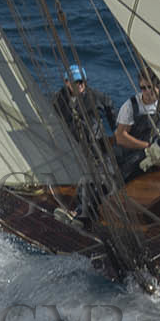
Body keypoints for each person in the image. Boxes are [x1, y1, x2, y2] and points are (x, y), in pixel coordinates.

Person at [51, 64, 116, 223]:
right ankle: (80, 212)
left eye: (81, 82)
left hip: (95, 144)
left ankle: (81, 212)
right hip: (74, 146)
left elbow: (109, 105)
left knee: (100, 178)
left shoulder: (94, 96)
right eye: (75, 82)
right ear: (67, 82)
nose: (79, 85)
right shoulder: (59, 99)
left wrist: (114, 127)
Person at [114, 71, 160, 183]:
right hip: (135, 156)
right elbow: (120, 137)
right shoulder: (130, 106)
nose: (147, 91)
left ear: (159, 87)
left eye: (150, 87)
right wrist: (148, 147)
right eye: (143, 88)